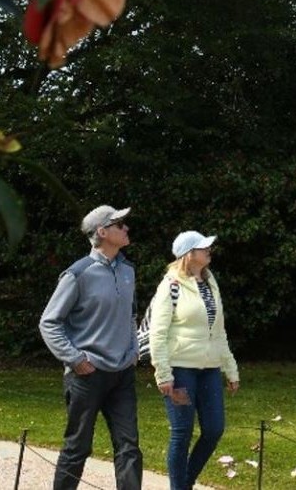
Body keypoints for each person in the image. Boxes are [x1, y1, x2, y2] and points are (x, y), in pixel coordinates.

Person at [39, 204, 143, 490]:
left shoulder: (128, 270)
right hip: (87, 376)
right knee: (77, 449)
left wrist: (133, 350)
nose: (126, 228)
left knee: (129, 447)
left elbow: (131, 315)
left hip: (122, 373)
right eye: (120, 224)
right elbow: (49, 323)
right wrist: (75, 359)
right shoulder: (77, 274)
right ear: (103, 232)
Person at [149, 230, 240, 490]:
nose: (209, 250)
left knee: (213, 430)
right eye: (203, 247)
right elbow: (158, 333)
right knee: (182, 433)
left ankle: (184, 484)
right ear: (189, 254)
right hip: (180, 372)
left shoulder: (211, 282)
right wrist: (163, 374)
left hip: (209, 370)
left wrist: (230, 369)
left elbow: (219, 330)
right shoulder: (171, 285)